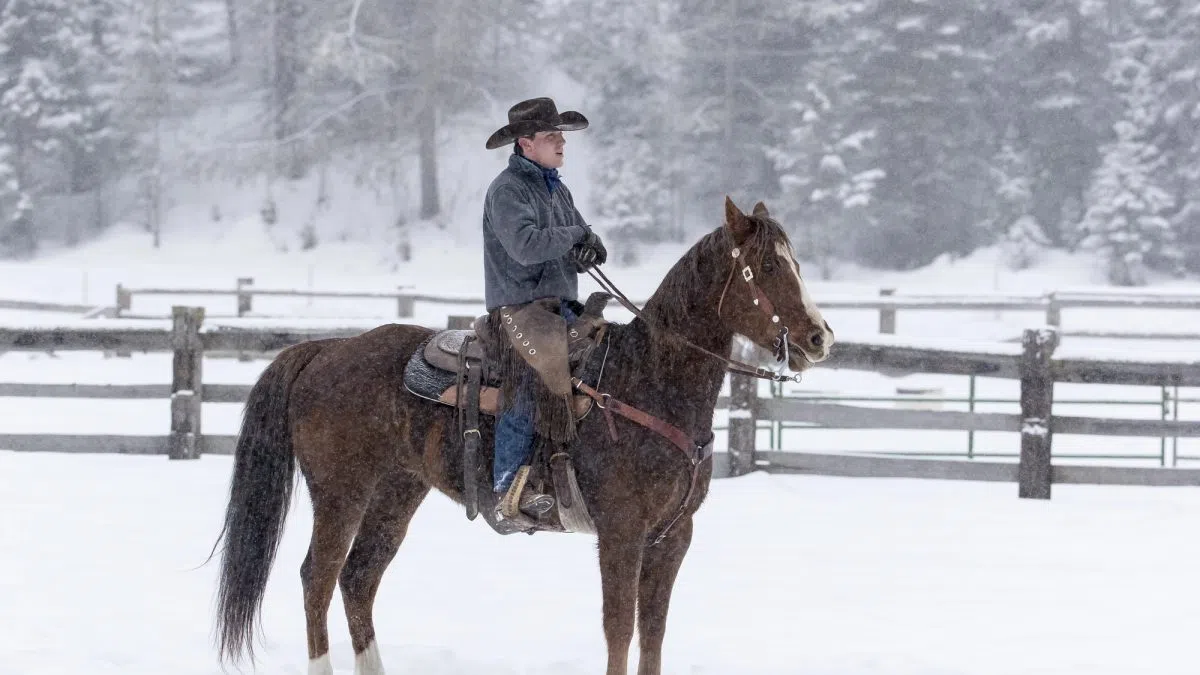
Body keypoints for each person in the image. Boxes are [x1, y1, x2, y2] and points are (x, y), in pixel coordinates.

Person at [481, 97, 607, 519]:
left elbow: (578, 236)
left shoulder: (556, 188)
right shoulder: (507, 190)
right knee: (532, 383)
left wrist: (589, 247)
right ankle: (507, 489)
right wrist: (576, 235)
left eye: (561, 136)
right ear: (526, 143)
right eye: (552, 136)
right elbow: (526, 246)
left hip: (559, 307)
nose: (561, 143)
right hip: (520, 309)